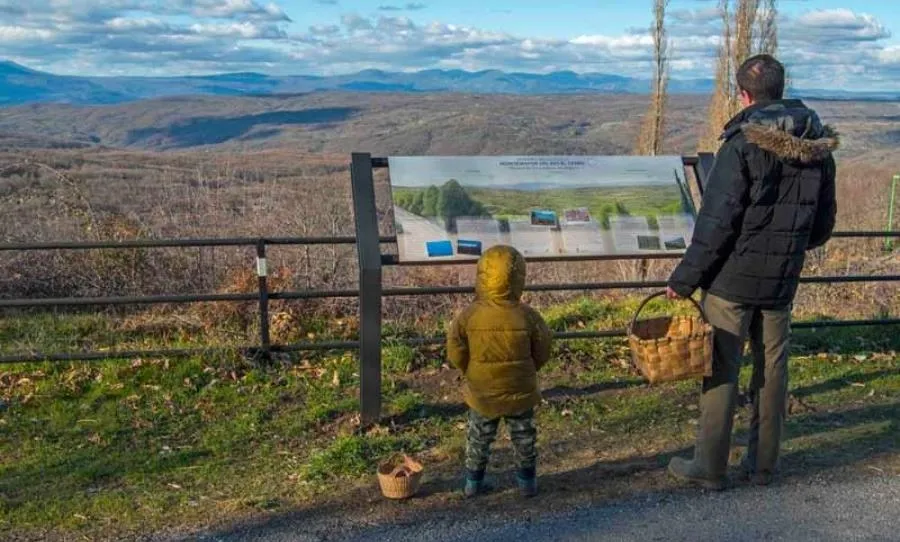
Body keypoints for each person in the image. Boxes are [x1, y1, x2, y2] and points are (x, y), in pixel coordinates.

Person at [666, 54, 838, 490]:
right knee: (773, 369)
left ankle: (709, 466)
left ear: (744, 95)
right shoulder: (818, 148)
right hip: (782, 279)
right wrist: (786, 248)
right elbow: (821, 227)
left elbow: (716, 224)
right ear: (781, 88)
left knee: (722, 367)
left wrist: (684, 279)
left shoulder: (740, 146)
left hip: (731, 281)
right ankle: (763, 466)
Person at [447, 244, 552, 498]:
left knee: (478, 438)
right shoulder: (529, 316)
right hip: (520, 388)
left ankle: (473, 484)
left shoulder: (469, 315)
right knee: (524, 437)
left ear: (482, 276)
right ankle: (527, 485)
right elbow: (543, 349)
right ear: (518, 279)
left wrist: (469, 370)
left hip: (482, 390)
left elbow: (455, 348)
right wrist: (529, 370)